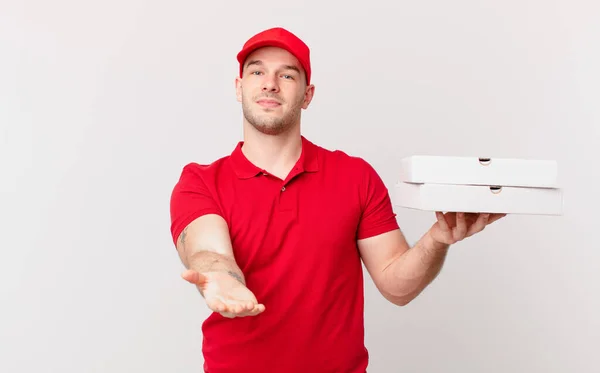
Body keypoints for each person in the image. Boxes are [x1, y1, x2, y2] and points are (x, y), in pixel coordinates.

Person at [169, 26, 505, 373]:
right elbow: (209, 251)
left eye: (287, 74)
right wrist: (221, 279)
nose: (270, 83)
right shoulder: (200, 182)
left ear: (307, 95)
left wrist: (437, 239)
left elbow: (396, 285)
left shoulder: (354, 177)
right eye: (257, 71)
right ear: (239, 88)